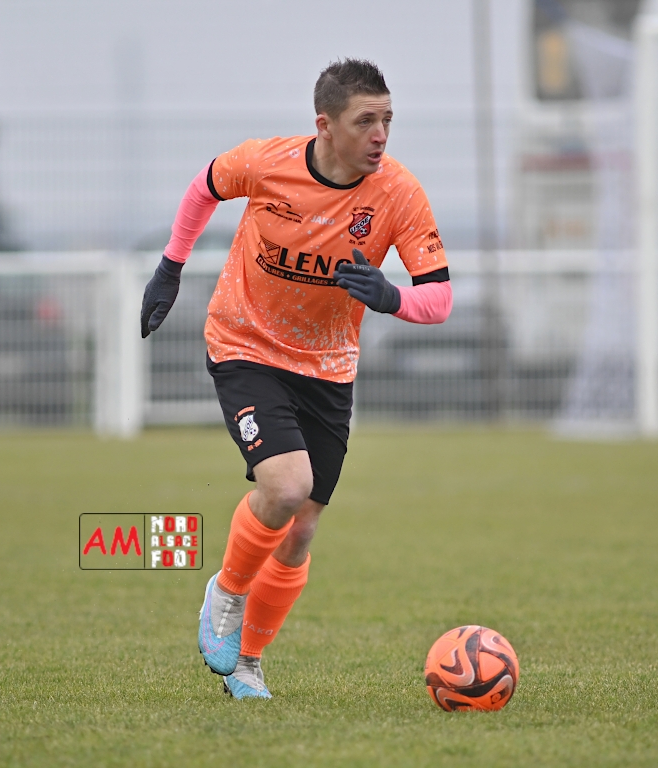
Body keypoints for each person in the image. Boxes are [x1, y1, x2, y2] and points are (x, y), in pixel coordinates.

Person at [140, 58, 452, 699]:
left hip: (328, 367)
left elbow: (439, 299)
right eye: (365, 121)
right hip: (245, 345)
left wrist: (390, 297)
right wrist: (171, 266)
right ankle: (226, 593)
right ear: (325, 125)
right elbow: (204, 186)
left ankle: (247, 663)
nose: (380, 135)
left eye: (387, 120)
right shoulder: (266, 163)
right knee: (286, 487)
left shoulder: (398, 193)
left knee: (302, 527)